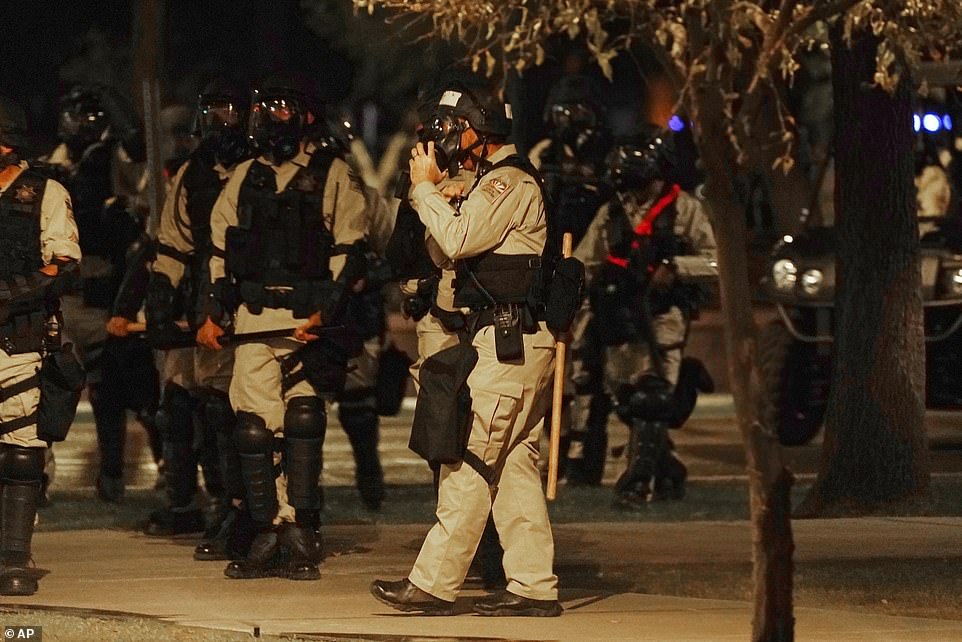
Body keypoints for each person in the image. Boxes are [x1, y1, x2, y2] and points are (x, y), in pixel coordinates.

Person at [371, 78, 561, 617]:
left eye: (452, 129)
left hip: (508, 341)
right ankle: (532, 585)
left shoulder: (508, 183)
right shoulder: (488, 182)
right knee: (516, 467)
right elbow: (437, 253)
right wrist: (441, 195)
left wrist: (428, 190)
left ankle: (433, 584)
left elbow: (458, 241)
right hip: (509, 340)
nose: (443, 140)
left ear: (480, 130)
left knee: (470, 460)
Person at [197, 72, 369, 581]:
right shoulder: (244, 175)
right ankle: (264, 529)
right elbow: (219, 249)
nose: (272, 117)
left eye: (283, 107)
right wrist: (213, 310)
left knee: (303, 423)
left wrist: (328, 311)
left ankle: (299, 530)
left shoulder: (332, 172)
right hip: (252, 321)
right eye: (266, 107)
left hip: (306, 324)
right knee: (252, 429)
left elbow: (349, 247)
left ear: (306, 116)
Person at [110, 79, 254, 544]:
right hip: (198, 305)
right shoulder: (194, 173)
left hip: (250, 305)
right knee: (185, 407)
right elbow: (169, 244)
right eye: (211, 111)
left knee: (238, 415)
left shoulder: (263, 169)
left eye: (228, 110)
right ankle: (202, 504)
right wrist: (154, 300)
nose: (218, 121)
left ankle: (246, 508)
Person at [574, 126, 717, 507]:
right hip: (619, 316)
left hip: (663, 315)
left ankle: (635, 486)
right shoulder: (613, 211)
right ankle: (670, 471)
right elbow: (586, 260)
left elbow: (715, 262)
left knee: (651, 399)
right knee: (625, 400)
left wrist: (677, 268)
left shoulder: (685, 209)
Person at [45, 84, 161, 502]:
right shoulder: (51, 165)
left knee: (132, 385)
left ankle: (155, 469)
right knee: (61, 382)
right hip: (68, 291)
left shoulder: (115, 159)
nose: (86, 122)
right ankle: (41, 476)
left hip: (116, 288)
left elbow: (141, 162)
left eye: (94, 114)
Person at [0, 96, 82, 595]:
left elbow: (65, 264)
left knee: (19, 448)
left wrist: (11, 293)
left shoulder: (44, 193)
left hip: (20, 335)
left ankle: (14, 554)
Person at [529, 75, 614, 486]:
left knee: (587, 373)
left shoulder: (606, 157)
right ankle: (555, 453)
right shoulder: (543, 154)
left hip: (592, 272)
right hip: (552, 272)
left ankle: (585, 458)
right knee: (551, 369)